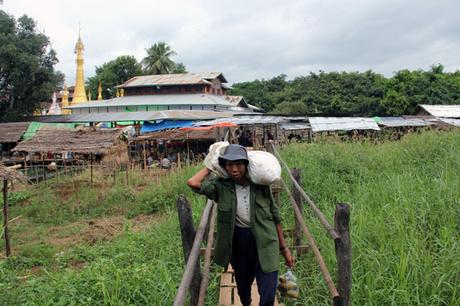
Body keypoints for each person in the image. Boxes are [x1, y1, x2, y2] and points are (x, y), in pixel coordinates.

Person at [187, 144, 294, 306]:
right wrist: (211, 166)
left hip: (266, 241)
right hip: (239, 243)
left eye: (239, 164)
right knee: (243, 289)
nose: (235, 169)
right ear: (224, 166)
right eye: (229, 165)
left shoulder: (260, 185)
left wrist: (284, 249)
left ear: (246, 165)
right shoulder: (221, 186)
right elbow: (193, 183)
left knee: (268, 294)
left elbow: (275, 216)